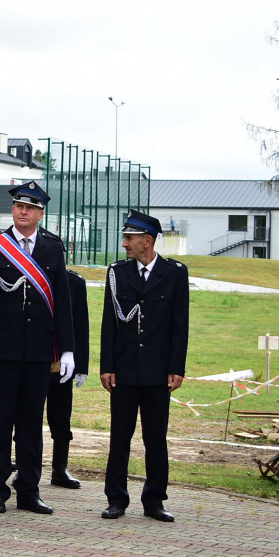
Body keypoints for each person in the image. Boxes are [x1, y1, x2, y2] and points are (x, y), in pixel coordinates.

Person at [0, 180, 75, 515]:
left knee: (31, 424)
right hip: (2, 349)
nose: (22, 212)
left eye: (29, 208)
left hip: (38, 352)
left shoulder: (52, 248)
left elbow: (63, 302)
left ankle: (29, 490)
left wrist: (68, 350)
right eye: (18, 206)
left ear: (41, 213)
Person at [100, 210, 189, 523]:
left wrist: (177, 367)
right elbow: (109, 323)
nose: (125, 243)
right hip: (123, 370)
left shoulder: (175, 273)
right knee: (119, 437)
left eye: (130, 238)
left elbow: (180, 325)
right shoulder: (117, 272)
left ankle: (154, 500)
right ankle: (116, 499)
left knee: (155, 438)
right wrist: (107, 366)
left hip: (157, 371)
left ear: (147, 241)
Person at [45, 269, 90, 489]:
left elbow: (81, 327)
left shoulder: (74, 282)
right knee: (26, 417)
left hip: (63, 361)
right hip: (34, 359)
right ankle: (24, 465)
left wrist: (82, 366)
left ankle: (59, 469)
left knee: (61, 416)